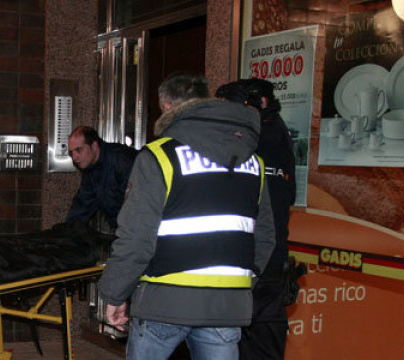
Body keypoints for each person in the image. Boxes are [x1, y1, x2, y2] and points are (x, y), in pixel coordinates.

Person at [98, 73, 276, 360]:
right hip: (227, 306)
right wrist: (241, 283)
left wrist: (115, 294)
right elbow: (265, 235)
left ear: (168, 107)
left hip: (164, 302)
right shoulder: (253, 162)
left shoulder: (159, 156)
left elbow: (136, 238)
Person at [216, 78, 297, 360]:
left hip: (256, 265)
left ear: (258, 104)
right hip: (270, 264)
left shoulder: (257, 142)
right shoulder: (278, 136)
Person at [65, 126, 138, 231]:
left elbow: (137, 204)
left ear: (94, 146)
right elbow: (82, 206)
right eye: (71, 153)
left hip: (142, 229)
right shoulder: (90, 168)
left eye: (79, 150)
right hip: (126, 229)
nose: (75, 157)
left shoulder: (122, 160)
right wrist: (66, 233)